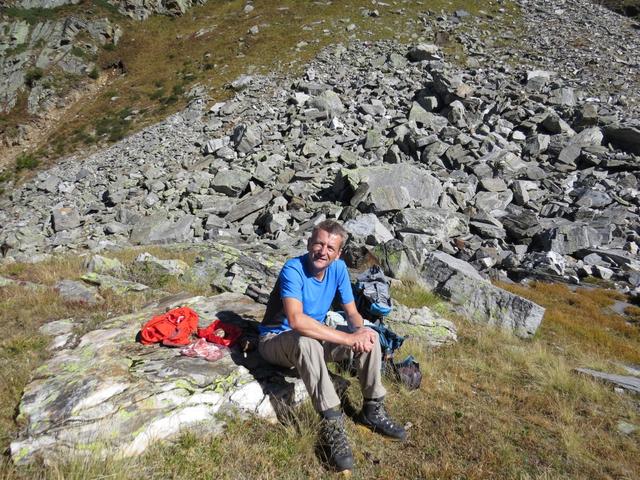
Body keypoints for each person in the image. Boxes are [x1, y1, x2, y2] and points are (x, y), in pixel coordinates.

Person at [258, 219, 406, 472]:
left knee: (369, 336)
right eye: (319, 244)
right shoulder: (293, 269)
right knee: (306, 342)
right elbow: (296, 320)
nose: (323, 251)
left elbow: (351, 313)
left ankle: (372, 407)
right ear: (309, 243)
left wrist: (359, 331)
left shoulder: (337, 270)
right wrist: (347, 339)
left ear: (338, 254)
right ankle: (332, 423)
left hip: (314, 336)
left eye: (330, 248)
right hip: (275, 341)